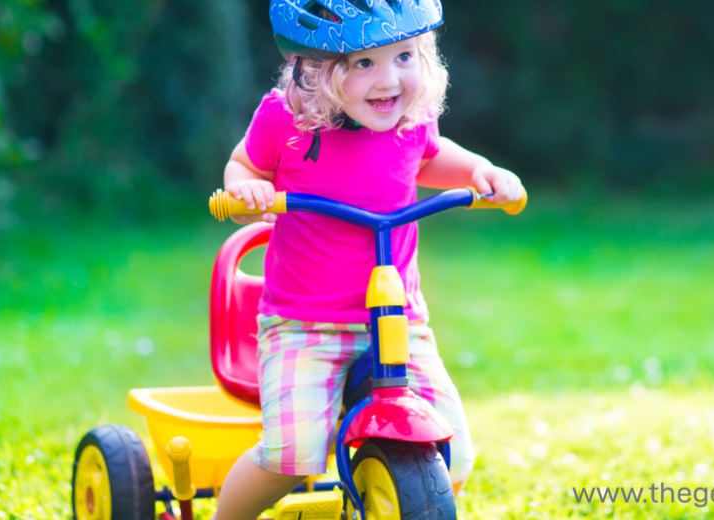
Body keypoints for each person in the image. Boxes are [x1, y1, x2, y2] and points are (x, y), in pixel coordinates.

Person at [214, 0, 524, 518]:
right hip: (303, 323)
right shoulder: (284, 118)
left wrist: (479, 171)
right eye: (364, 63)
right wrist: (246, 191)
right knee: (292, 456)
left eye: (404, 56)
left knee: (456, 453)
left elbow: (430, 156)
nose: (389, 81)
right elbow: (244, 163)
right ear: (314, 69)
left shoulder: (410, 119)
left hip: (396, 319)